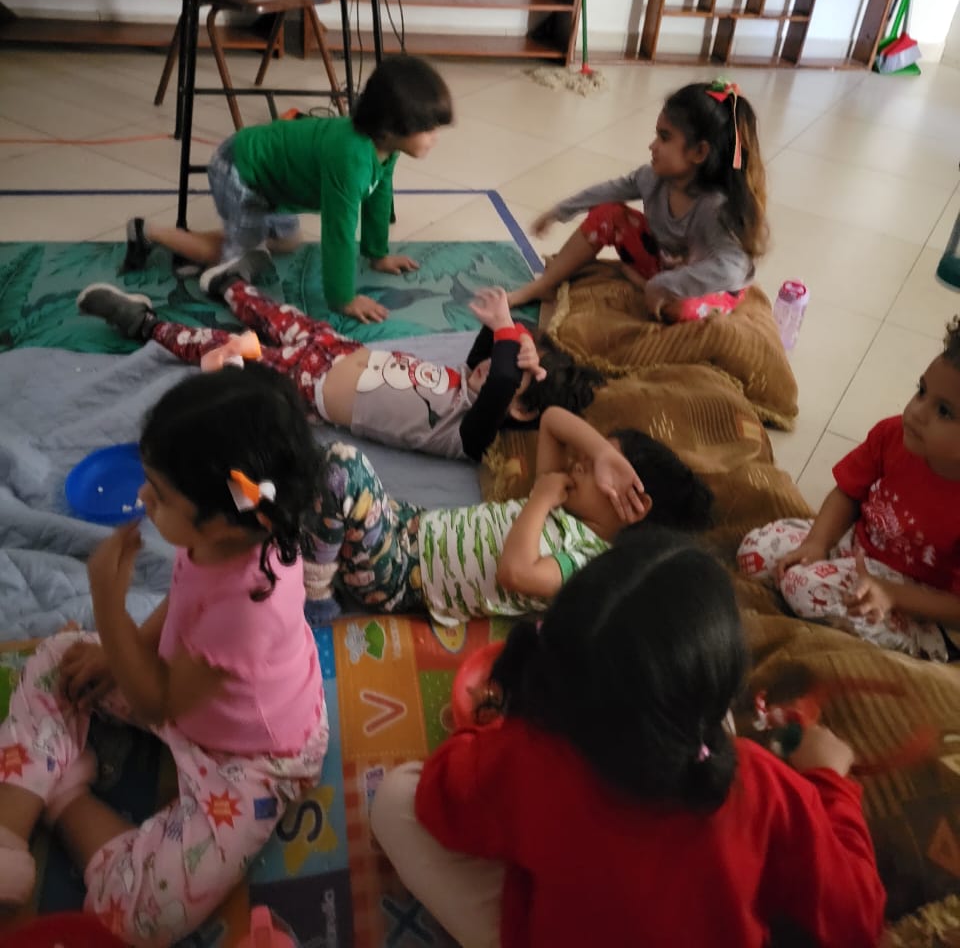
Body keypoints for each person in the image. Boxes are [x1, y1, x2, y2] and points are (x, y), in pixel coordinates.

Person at [369, 528, 886, 948]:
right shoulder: (761, 784)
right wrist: (830, 780)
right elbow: (858, 918)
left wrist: (492, 737)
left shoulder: (529, 754)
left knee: (394, 799)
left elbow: (439, 796)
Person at [0, 368, 327, 945]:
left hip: (252, 758)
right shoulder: (224, 534)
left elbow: (158, 703)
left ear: (226, 518)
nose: (144, 499)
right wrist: (117, 653)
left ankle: (67, 797)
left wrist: (109, 607)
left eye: (161, 494)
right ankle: (6, 834)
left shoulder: (248, 609)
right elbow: (181, 600)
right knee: (59, 657)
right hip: (184, 693)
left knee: (143, 915)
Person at [77, 278, 603, 464]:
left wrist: (511, 334)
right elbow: (493, 355)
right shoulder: (471, 381)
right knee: (283, 318)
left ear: (518, 408)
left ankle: (144, 323)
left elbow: (504, 375)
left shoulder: (470, 433)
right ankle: (230, 286)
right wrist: (513, 336)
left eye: (508, 374)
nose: (490, 366)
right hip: (339, 350)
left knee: (222, 348)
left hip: (312, 387)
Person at [305, 405, 714, 624]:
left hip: (399, 577)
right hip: (410, 526)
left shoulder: (586, 561)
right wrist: (605, 454)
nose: (579, 462)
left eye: (592, 469)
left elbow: (515, 573)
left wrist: (540, 498)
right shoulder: (562, 499)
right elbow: (552, 420)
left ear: (632, 508)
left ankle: (316, 592)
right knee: (319, 478)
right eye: (590, 458)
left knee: (343, 466)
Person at [122, 54, 454, 323]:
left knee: (287, 241)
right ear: (390, 127)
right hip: (240, 169)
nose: (435, 138)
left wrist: (377, 254)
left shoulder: (384, 147)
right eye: (428, 129)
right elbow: (338, 231)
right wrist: (344, 298)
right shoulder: (350, 158)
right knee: (236, 261)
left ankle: (220, 238)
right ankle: (149, 232)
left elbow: (379, 194)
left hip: (272, 181)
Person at [737, 317, 960, 662]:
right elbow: (847, 493)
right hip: (856, 547)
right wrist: (816, 543)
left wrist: (891, 594)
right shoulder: (892, 435)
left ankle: (906, 650)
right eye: (921, 391)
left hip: (918, 602)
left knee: (800, 586)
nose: (916, 412)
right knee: (756, 551)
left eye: (944, 411)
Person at [506, 79, 767, 323]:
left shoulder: (716, 207)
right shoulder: (653, 177)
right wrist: (559, 211)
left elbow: (731, 271)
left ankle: (644, 285)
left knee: (682, 307)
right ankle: (543, 286)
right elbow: (610, 191)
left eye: (664, 137)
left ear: (699, 152)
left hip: (709, 284)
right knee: (608, 214)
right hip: (666, 267)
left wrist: (662, 285)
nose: (652, 146)